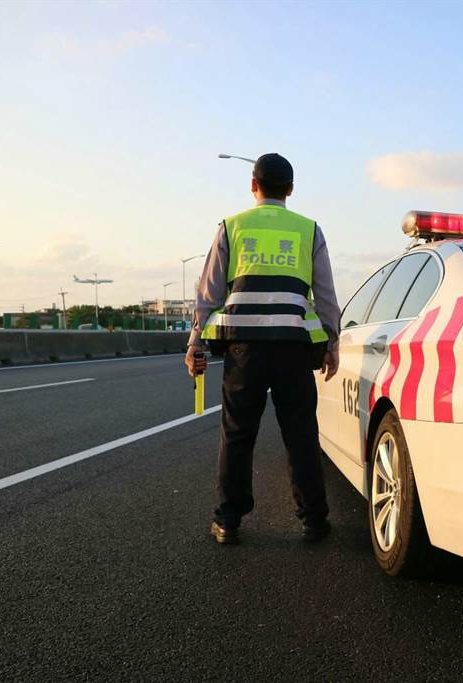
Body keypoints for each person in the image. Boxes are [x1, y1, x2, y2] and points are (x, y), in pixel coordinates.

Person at [185, 153, 340, 545]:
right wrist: (332, 343)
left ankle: (228, 520)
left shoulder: (232, 227)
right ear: (290, 189)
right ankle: (313, 521)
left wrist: (195, 343)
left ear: (253, 186)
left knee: (237, 435)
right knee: (302, 435)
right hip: (293, 349)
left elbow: (207, 294)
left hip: (243, 351)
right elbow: (325, 295)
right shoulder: (309, 230)